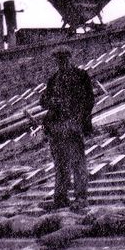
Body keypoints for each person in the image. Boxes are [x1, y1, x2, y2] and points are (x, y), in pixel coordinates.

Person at [40, 46, 94, 210]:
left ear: (70, 58)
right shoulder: (54, 79)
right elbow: (43, 101)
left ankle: (81, 197)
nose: (61, 62)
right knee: (60, 163)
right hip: (56, 126)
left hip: (73, 125)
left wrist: (80, 120)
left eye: (63, 59)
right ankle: (61, 197)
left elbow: (89, 100)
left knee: (77, 162)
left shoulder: (81, 76)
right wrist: (52, 102)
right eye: (58, 60)